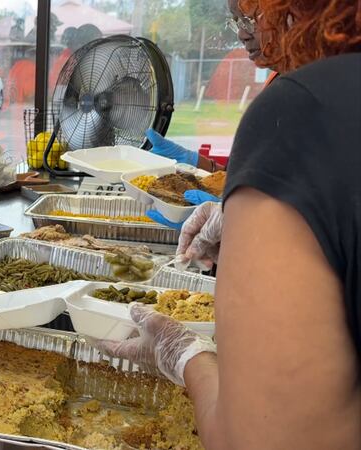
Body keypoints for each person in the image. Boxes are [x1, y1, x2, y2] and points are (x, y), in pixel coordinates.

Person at [96, 0, 361, 447]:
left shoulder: (303, 110)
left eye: (251, 12)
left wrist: (183, 355)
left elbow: (265, 438)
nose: (244, 29)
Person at [147, 0, 278, 174]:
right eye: (237, 22)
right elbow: (246, 179)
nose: (241, 34)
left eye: (249, 20)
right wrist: (194, 162)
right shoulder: (275, 82)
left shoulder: (308, 95)